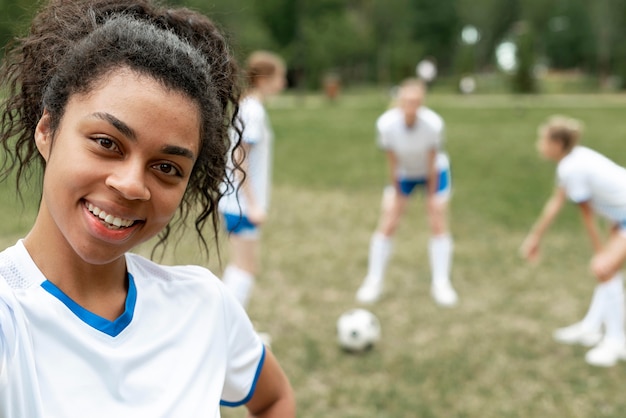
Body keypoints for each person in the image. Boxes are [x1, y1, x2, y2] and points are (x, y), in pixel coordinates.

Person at [0, 0, 296, 416]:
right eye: (107, 143)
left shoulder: (204, 305)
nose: (132, 185)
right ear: (47, 130)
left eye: (166, 167)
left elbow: (274, 400)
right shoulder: (9, 315)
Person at [521, 115, 626, 367]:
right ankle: (592, 327)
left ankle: (616, 342)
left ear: (557, 143)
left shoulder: (572, 167)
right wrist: (535, 238)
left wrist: (600, 252)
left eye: (543, 140)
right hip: (621, 216)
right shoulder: (572, 161)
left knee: (604, 269)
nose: (540, 144)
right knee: (608, 272)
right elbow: (556, 203)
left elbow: (587, 215)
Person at [355, 78, 458, 307]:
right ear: (400, 100)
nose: (411, 105)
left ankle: (441, 283)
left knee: (437, 220)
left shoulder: (433, 124)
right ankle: (374, 281)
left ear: (422, 102)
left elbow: (432, 161)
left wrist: (432, 197)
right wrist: (397, 191)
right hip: (405, 173)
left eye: (416, 101)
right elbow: (392, 161)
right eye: (407, 100)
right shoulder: (386, 125)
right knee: (389, 221)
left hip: (433, 172)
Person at [219, 51, 286, 310]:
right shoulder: (253, 111)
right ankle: (229, 330)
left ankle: (228, 328)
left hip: (235, 202)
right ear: (265, 78)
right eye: (280, 76)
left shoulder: (247, 107)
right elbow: (239, 158)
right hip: (240, 204)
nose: (283, 83)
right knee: (246, 268)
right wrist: (253, 204)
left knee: (242, 266)